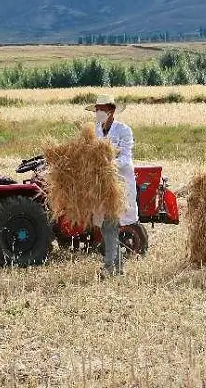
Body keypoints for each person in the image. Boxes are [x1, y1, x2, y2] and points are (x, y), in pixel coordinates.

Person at [85, 94, 137, 276]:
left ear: (112, 110)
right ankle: (118, 267)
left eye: (102, 109)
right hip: (101, 185)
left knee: (110, 224)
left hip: (119, 184)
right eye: (97, 109)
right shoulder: (95, 131)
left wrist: (109, 165)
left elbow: (125, 158)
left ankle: (109, 267)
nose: (99, 112)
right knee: (106, 226)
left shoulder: (124, 130)